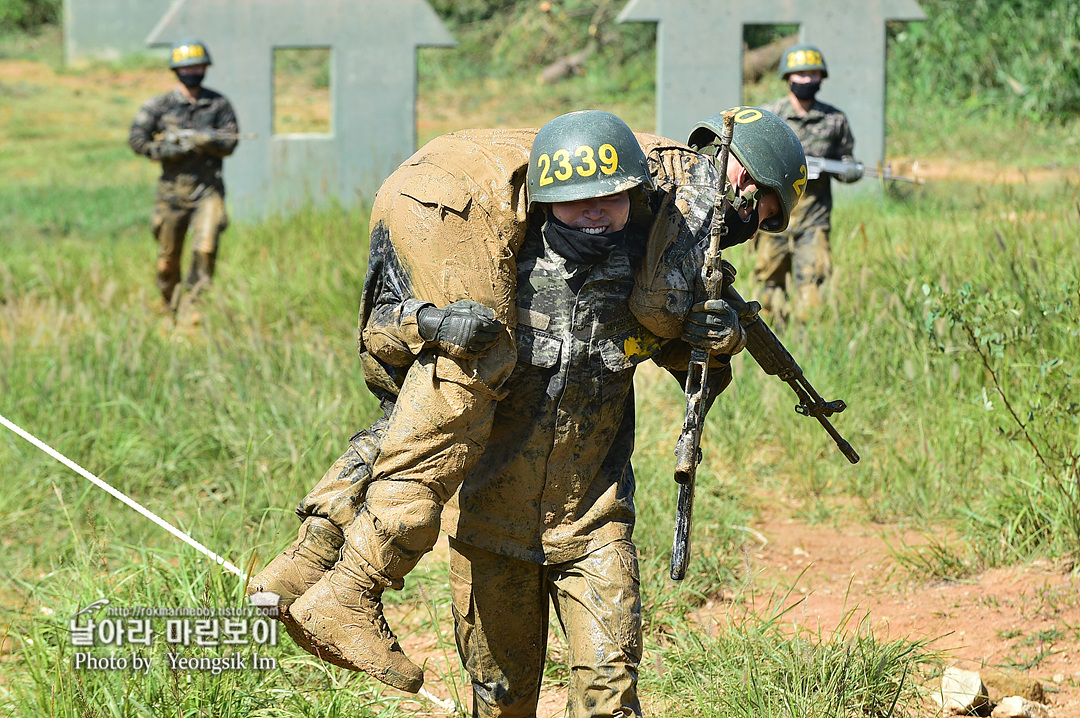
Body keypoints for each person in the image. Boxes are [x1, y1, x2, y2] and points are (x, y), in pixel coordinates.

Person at [248, 108, 806, 716]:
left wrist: (717, 340)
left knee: (611, 705)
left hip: (593, 528)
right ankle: (328, 569)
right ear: (544, 193)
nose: (597, 213)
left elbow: (690, 361)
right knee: (501, 703)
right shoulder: (494, 265)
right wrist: (431, 324)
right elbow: (395, 367)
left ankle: (326, 567)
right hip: (491, 533)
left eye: (614, 200)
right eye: (578, 200)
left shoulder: (651, 268)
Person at [128, 38, 240, 314]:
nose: (193, 72)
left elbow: (230, 141)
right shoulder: (160, 106)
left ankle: (193, 311)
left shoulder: (218, 105)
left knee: (205, 251)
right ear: (176, 70)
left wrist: (205, 142)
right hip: (171, 194)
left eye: (198, 67)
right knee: (167, 261)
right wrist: (167, 149)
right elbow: (137, 140)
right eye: (187, 67)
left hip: (208, 191)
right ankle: (170, 307)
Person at [758, 43, 861, 318]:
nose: (806, 80)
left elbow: (845, 159)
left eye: (812, 74)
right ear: (788, 77)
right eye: (800, 74)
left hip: (814, 217)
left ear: (820, 78)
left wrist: (848, 170)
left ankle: (805, 343)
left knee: (812, 288)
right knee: (770, 287)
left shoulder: (834, 120)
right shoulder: (769, 116)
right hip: (773, 214)